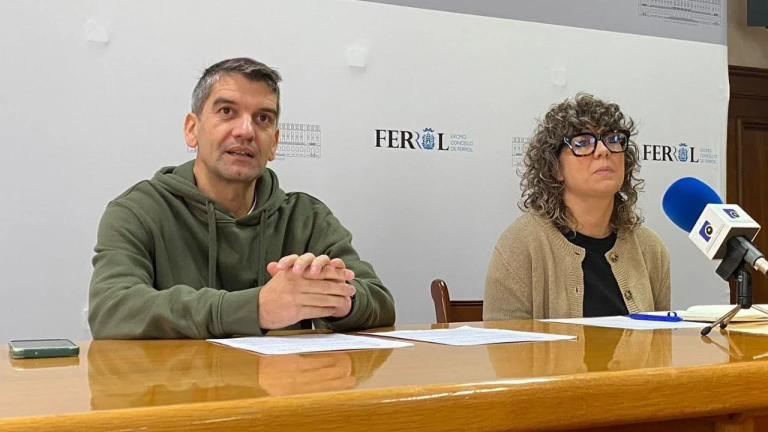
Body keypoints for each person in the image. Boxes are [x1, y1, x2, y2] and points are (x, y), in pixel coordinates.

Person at [88, 57, 395, 339]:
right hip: (180, 382)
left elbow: (379, 302)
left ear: (274, 143)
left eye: (262, 118)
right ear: (192, 129)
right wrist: (255, 308)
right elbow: (112, 309)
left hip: (282, 381)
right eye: (227, 112)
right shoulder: (138, 210)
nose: (246, 131)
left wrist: (339, 298)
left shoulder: (306, 217)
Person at [483, 92, 670, 320]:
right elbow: (504, 340)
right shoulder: (520, 244)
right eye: (582, 143)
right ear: (555, 168)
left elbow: (660, 339)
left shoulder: (650, 248)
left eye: (612, 139)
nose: (603, 150)